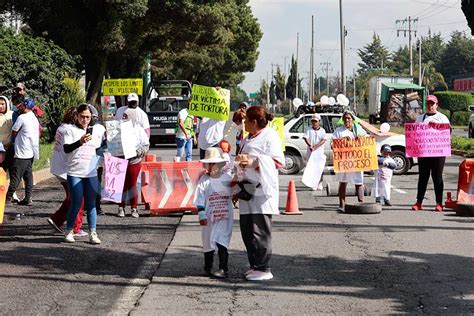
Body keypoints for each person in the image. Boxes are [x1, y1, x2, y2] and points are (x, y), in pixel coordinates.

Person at [234, 106, 285, 281]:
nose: (244, 123)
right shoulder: (248, 138)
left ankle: (264, 267)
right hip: (246, 189)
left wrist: (254, 161)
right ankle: (254, 265)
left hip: (261, 191)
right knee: (247, 229)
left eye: (246, 120)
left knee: (260, 230)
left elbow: (278, 162)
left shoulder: (270, 136)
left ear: (254, 122)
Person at [63, 103, 102, 244]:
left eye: (88, 117)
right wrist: (79, 142)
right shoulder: (70, 130)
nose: (85, 120)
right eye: (82, 117)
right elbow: (66, 149)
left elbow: (99, 148)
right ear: (77, 116)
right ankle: (69, 231)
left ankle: (93, 233)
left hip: (91, 173)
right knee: (77, 202)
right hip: (75, 172)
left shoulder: (95, 131)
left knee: (91, 204)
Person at [194, 147, 233, 279]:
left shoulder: (228, 178)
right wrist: (201, 213)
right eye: (208, 164)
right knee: (207, 241)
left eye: (213, 164)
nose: (211, 167)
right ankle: (207, 267)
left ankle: (223, 268)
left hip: (224, 216)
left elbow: (236, 191)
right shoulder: (204, 180)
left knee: (222, 240)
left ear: (221, 164)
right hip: (209, 217)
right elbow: (199, 197)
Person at [47, 107, 86, 236]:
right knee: (76, 198)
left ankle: (59, 220)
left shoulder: (61, 128)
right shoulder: (70, 130)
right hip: (65, 168)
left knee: (73, 197)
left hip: (59, 166)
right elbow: (71, 148)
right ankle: (70, 225)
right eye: (80, 116)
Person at [412, 95, 450, 212]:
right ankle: (419, 202)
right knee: (423, 177)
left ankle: (439, 203)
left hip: (438, 153)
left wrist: (436, 127)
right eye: (428, 103)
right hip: (423, 153)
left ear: (436, 105)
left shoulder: (442, 118)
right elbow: (414, 135)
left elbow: (448, 133)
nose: (430, 106)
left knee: (437, 177)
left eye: (432, 104)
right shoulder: (419, 118)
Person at [5, 96, 40, 205]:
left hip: (21, 151)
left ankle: (7, 198)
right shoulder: (34, 117)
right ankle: (28, 198)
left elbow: (14, 131)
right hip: (30, 151)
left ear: (25, 106)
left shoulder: (22, 118)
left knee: (16, 176)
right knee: (28, 176)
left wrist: (12, 140)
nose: (20, 107)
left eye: (22, 105)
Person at [117, 108, 150, 218]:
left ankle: (133, 208)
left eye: (127, 117)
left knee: (132, 184)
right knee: (121, 184)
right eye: (124, 117)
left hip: (134, 160)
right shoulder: (117, 128)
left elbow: (146, 144)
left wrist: (139, 152)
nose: (125, 119)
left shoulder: (139, 129)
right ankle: (121, 207)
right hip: (120, 159)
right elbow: (112, 142)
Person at [332, 110, 367, 211]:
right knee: (343, 181)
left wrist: (359, 139)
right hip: (344, 161)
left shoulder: (359, 130)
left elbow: (366, 141)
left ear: (352, 119)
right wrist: (343, 142)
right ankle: (342, 204)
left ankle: (361, 203)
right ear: (343, 119)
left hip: (357, 160)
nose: (347, 120)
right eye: (345, 118)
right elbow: (333, 144)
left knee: (359, 181)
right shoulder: (339, 131)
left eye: (349, 118)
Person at [88, 105, 107, 215]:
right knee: (97, 182)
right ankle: (97, 206)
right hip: (97, 158)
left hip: (90, 159)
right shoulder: (101, 127)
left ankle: (90, 206)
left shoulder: (82, 126)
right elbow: (105, 143)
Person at [302, 113, 327, 191]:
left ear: (319, 121)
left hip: (319, 153)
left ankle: (320, 182)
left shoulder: (322, 130)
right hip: (311, 152)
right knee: (312, 168)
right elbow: (306, 138)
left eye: (316, 121)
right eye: (313, 121)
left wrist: (316, 146)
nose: (314, 123)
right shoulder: (308, 129)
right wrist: (310, 146)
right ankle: (313, 183)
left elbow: (323, 140)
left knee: (320, 168)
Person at [0, 96, 13, 170]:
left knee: (13, 170)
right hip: (0, 149)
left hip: (10, 148)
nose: (0, 106)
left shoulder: (11, 115)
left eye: (2, 104)